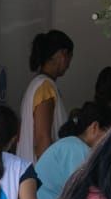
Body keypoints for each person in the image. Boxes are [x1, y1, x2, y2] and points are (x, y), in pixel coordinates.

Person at [18, 30, 74, 160]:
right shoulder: (45, 87)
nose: (69, 65)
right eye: (70, 57)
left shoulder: (36, 84)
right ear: (63, 54)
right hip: (41, 174)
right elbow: (43, 139)